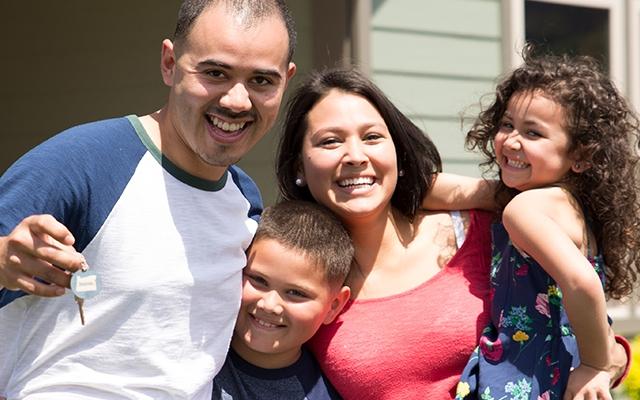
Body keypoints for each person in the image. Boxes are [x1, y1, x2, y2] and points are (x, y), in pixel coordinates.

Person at [275, 67, 631, 399]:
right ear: (299, 166)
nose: (355, 156)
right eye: (329, 142)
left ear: (397, 151)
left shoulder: (490, 227)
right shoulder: (290, 270)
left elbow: (577, 324)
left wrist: (604, 361)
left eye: (372, 137)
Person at [0, 0, 296, 398]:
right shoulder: (82, 163)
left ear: (286, 81)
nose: (237, 101)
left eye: (262, 81)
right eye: (214, 73)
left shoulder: (244, 200)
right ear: (170, 63)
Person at [445, 48, 640, 400]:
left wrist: (596, 365)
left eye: (533, 133)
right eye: (507, 125)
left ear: (580, 156)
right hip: (561, 370)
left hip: (527, 379)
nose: (512, 140)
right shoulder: (571, 207)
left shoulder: (524, 211)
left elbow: (581, 282)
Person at [212, 200, 352, 400]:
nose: (269, 305)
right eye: (258, 280)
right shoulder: (191, 352)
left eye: (296, 293)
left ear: (334, 306)